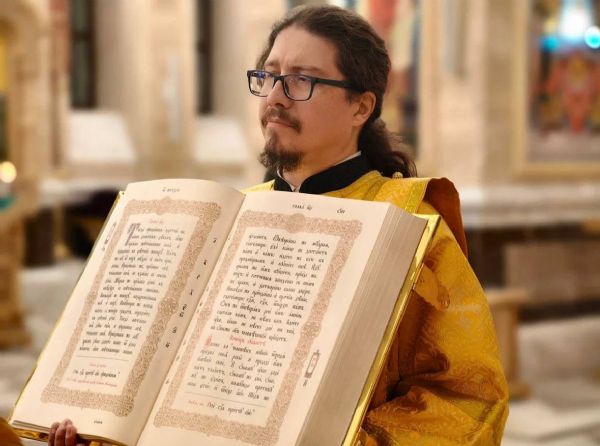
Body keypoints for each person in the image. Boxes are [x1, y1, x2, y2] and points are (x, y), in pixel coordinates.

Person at [49, 5, 508, 445]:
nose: (274, 98)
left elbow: (467, 397)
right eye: (269, 76)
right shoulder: (230, 218)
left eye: (301, 80)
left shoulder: (410, 224)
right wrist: (101, 430)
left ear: (360, 107)